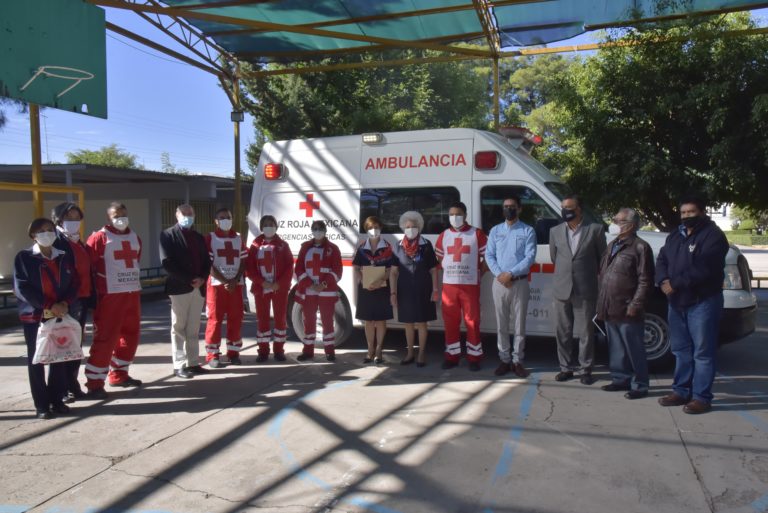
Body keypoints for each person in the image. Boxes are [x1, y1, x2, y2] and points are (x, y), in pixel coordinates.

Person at [655, 194, 729, 414]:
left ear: (702, 213)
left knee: (703, 353)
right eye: (683, 213)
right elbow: (662, 260)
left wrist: (675, 283)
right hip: (677, 303)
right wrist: (662, 280)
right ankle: (681, 391)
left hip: (703, 302)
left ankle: (701, 398)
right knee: (681, 351)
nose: (686, 216)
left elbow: (705, 268)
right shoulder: (675, 236)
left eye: (691, 212)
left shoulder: (713, 236)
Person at [14, 218, 79, 419]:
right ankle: (42, 405)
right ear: (33, 235)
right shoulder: (24, 257)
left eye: (50, 230)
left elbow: (75, 281)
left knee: (59, 358)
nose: (47, 233)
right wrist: (48, 305)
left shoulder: (64, 257)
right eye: (41, 231)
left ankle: (57, 399)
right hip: (36, 316)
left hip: (60, 315)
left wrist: (65, 303)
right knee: (37, 360)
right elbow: (22, 287)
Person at [84, 202, 143, 399]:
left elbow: (135, 261)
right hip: (109, 296)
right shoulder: (99, 237)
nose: (121, 218)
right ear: (109, 217)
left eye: (124, 214)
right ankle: (94, 383)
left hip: (131, 294)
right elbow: (88, 267)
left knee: (131, 336)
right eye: (117, 215)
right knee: (105, 339)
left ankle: (119, 374)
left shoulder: (135, 237)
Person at [549, 193, 607, 385]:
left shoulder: (596, 230)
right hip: (562, 289)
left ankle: (585, 370)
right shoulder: (555, 231)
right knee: (563, 332)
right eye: (564, 208)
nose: (566, 211)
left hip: (585, 289)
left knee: (585, 333)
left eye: (570, 208)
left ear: (579, 210)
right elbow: (554, 258)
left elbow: (602, 260)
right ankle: (565, 368)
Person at [596, 208, 654, 399]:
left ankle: (640, 385)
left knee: (634, 348)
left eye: (618, 221)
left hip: (628, 307)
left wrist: (635, 304)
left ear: (630, 225)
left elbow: (645, 280)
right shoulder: (613, 243)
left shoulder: (640, 247)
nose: (614, 223)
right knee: (616, 348)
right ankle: (620, 379)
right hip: (610, 305)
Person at [486, 195, 536, 378]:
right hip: (499, 282)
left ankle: (517, 361)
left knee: (519, 324)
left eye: (512, 206)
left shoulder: (528, 230)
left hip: (519, 282)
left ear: (519, 209)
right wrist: (500, 274)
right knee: (501, 324)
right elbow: (489, 255)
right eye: (506, 206)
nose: (509, 209)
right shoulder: (495, 231)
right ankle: (504, 359)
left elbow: (529, 257)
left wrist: (511, 274)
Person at [435, 201, 488, 371]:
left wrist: (479, 272)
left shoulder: (477, 234)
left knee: (472, 321)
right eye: (451, 214)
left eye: (458, 214)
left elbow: (488, 258)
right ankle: (452, 356)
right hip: (449, 286)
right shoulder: (444, 235)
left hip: (470, 285)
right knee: (450, 322)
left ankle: (474, 357)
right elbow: (439, 259)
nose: (454, 217)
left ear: (465, 215)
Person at [160, 204, 212, 379]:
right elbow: (167, 262)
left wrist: (203, 278)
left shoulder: (198, 237)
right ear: (177, 215)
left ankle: (193, 363)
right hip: (180, 287)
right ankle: (179, 365)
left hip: (198, 288)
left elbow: (207, 260)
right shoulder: (167, 235)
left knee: (193, 328)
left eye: (190, 213)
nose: (187, 216)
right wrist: (190, 279)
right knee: (178, 327)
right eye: (184, 213)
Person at [51, 202, 92, 402]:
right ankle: (63, 388)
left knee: (75, 345)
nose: (74, 222)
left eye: (77, 219)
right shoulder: (57, 242)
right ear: (59, 220)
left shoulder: (78, 242)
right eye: (69, 218)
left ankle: (72, 384)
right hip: (66, 302)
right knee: (63, 346)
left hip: (81, 299)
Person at [390, 211, 438, 367]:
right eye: (408, 226)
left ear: (419, 227)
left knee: (422, 322)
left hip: (424, 288)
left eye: (414, 226)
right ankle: (410, 352)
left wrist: (435, 289)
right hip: (404, 289)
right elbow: (393, 272)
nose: (411, 229)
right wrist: (393, 293)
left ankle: (422, 353)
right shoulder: (398, 246)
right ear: (403, 228)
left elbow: (433, 269)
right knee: (408, 323)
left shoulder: (426, 245)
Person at [204, 207, 247, 368]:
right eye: (222, 218)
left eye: (228, 217)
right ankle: (212, 355)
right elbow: (208, 264)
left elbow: (243, 261)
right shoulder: (210, 238)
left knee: (236, 318)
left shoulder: (238, 237)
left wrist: (235, 280)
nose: (225, 220)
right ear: (216, 221)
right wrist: (225, 281)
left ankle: (233, 353)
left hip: (235, 285)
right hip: (216, 286)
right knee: (215, 320)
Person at [247, 215, 294, 362]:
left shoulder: (283, 245)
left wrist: (279, 283)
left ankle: (279, 351)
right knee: (263, 320)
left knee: (280, 320)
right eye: (266, 224)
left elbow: (289, 266)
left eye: (271, 224)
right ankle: (263, 351)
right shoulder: (255, 246)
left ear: (276, 226)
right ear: (261, 227)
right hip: (261, 289)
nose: (269, 227)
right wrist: (262, 282)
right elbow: (249, 269)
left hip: (279, 288)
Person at [294, 220, 342, 362]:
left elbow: (337, 270)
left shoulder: (333, 248)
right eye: (315, 228)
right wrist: (310, 284)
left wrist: (324, 284)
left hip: (326, 291)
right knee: (309, 321)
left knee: (327, 321)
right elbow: (299, 269)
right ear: (311, 230)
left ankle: (330, 351)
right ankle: (308, 351)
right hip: (309, 290)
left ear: (325, 230)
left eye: (320, 228)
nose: (317, 231)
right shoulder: (305, 248)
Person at [353, 216, 394, 364]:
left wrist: (382, 280)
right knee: (369, 321)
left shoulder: (388, 247)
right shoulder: (362, 247)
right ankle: (369, 350)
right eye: (370, 228)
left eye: (376, 227)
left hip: (382, 287)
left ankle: (379, 350)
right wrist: (362, 279)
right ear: (366, 230)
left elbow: (391, 269)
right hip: (366, 288)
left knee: (381, 320)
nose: (374, 230)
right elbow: (356, 267)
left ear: (381, 228)